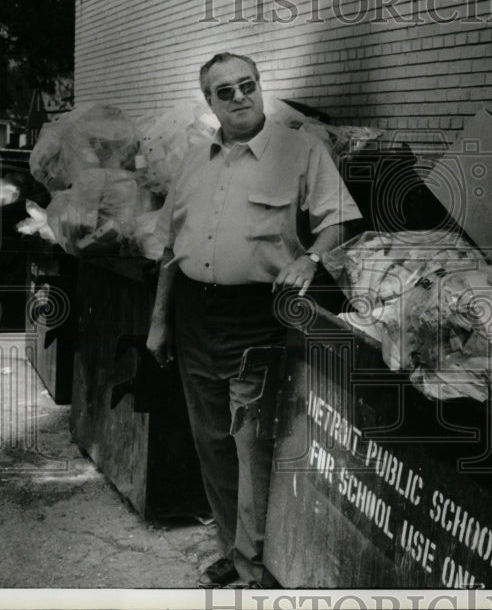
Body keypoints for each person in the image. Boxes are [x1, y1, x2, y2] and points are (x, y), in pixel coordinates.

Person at [146, 52, 362, 588]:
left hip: (260, 314)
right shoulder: (196, 161)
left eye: (248, 85)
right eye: (225, 91)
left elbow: (341, 222)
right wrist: (159, 320)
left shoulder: (301, 150)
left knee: (252, 444)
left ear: (261, 86)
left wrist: (308, 258)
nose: (240, 96)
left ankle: (254, 565)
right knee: (212, 438)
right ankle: (232, 547)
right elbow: (172, 249)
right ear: (210, 102)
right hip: (194, 313)